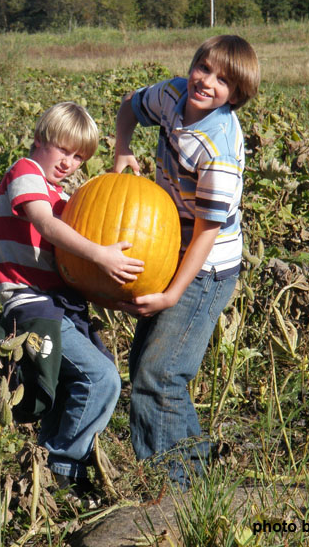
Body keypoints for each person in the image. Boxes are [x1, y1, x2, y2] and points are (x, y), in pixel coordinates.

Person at [112, 35, 260, 487]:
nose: (207, 81)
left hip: (207, 266)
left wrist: (172, 293)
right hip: (170, 246)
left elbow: (207, 232)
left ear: (235, 95)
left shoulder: (219, 151)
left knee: (162, 374)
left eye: (222, 80)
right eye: (204, 67)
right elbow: (128, 106)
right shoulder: (172, 95)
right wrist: (122, 149)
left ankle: (175, 490)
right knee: (146, 369)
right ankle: (196, 476)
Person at [0, 101, 144, 495]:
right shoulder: (25, 174)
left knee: (70, 385)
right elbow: (43, 223)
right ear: (41, 139)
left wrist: (117, 298)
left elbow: (71, 269)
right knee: (100, 377)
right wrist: (100, 252)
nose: (69, 162)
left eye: (79, 157)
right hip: (30, 303)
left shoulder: (62, 195)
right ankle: (62, 469)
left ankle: (42, 475)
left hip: (60, 302)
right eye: (63, 150)